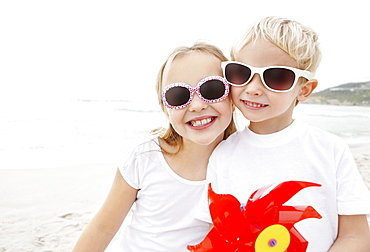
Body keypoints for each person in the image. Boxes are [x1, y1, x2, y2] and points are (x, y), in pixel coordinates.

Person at [195, 17, 370, 251]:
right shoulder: (222, 153)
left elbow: (355, 237)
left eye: (276, 77)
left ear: (304, 89)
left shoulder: (330, 149)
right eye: (240, 73)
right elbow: (218, 232)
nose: (253, 88)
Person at [72, 42, 237, 252]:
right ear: (165, 108)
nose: (197, 105)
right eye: (178, 96)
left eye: (212, 89)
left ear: (233, 97)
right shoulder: (144, 157)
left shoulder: (242, 161)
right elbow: (102, 229)